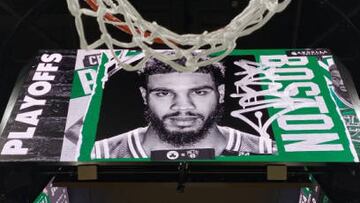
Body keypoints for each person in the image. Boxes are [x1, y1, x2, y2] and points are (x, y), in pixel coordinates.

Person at [90, 55, 274, 159]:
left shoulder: (267, 152)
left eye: (199, 92)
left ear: (222, 93)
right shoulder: (99, 154)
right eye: (164, 93)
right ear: (145, 96)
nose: (183, 106)